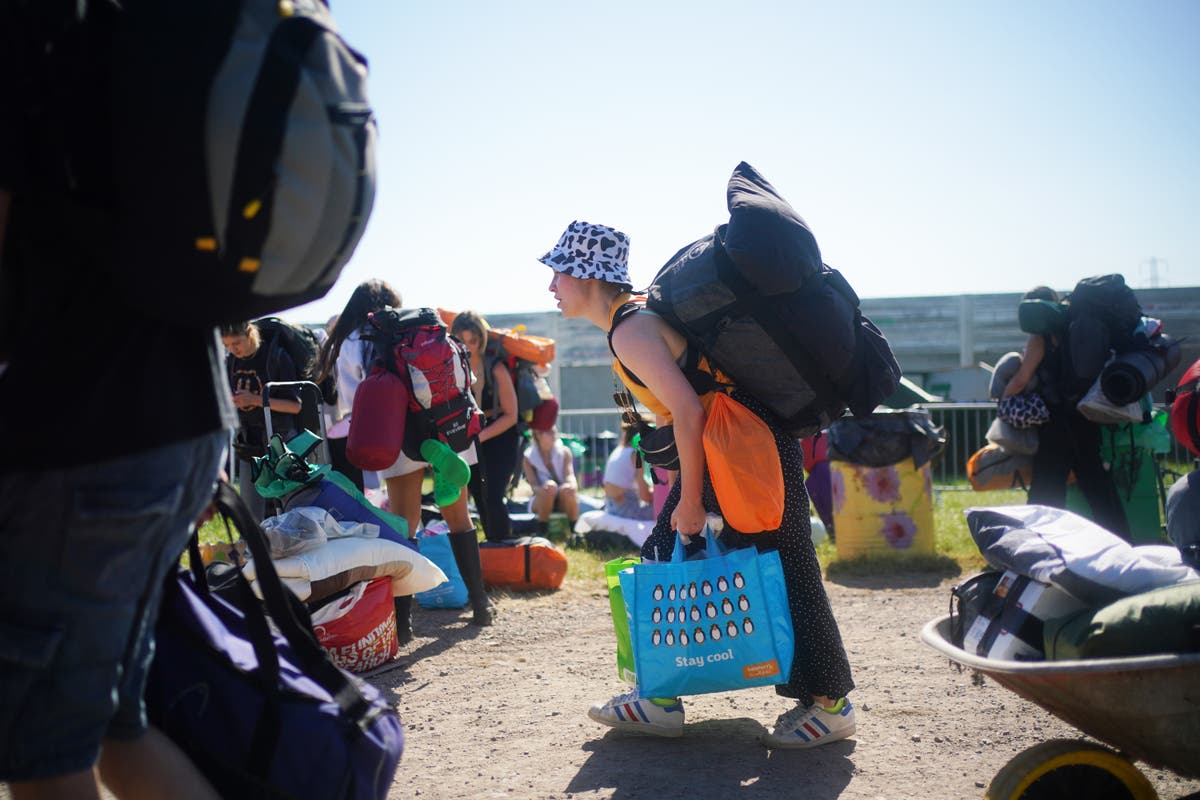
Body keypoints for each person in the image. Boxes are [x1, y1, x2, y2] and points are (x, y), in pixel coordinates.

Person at [0, 7, 232, 796]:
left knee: (41, 752)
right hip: (175, 413)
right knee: (108, 723)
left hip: (78, 428)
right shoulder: (126, 26)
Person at [536, 220, 855, 748]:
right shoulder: (632, 320)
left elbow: (688, 412)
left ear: (585, 274)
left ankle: (832, 704)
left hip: (741, 450)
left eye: (557, 274)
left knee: (786, 560)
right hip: (740, 444)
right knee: (671, 554)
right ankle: (658, 696)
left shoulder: (629, 330)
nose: (551, 287)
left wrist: (687, 498)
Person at [317, 280, 495, 631]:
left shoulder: (354, 340)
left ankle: (403, 622)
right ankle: (480, 606)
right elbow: (468, 379)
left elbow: (354, 402)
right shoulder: (423, 330)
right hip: (446, 429)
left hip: (399, 436)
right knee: (460, 518)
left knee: (404, 524)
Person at [1014, 286, 1132, 539]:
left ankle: (1037, 545)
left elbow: (1022, 378)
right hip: (1085, 416)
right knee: (1098, 486)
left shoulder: (1039, 337)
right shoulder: (1074, 330)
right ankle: (1123, 544)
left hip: (1055, 421)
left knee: (1045, 492)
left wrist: (1003, 397)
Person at [220, 321, 303, 521]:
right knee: (250, 512)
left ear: (250, 333)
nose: (233, 350)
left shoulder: (275, 357)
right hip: (248, 443)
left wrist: (255, 400)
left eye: (236, 343)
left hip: (280, 442)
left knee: (289, 507)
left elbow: (295, 406)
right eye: (227, 345)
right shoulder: (231, 361)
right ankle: (253, 550)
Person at [450, 311, 522, 543]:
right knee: (479, 498)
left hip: (501, 438)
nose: (469, 347)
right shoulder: (453, 370)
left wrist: (480, 437)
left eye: (473, 341)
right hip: (470, 437)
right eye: (463, 341)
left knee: (493, 495)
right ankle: (491, 550)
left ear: (481, 340)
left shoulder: (496, 368)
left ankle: (503, 548)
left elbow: (511, 416)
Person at [523, 404, 581, 534]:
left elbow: (569, 475)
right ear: (538, 435)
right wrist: (546, 489)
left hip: (561, 497)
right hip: (540, 499)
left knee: (568, 491)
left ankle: (575, 533)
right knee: (550, 488)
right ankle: (541, 531)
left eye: (553, 430)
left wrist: (572, 485)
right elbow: (534, 486)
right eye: (549, 431)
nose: (554, 434)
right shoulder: (528, 456)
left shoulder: (564, 452)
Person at [603, 422, 655, 520]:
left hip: (611, 506)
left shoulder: (619, 450)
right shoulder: (636, 455)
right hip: (625, 510)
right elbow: (645, 496)